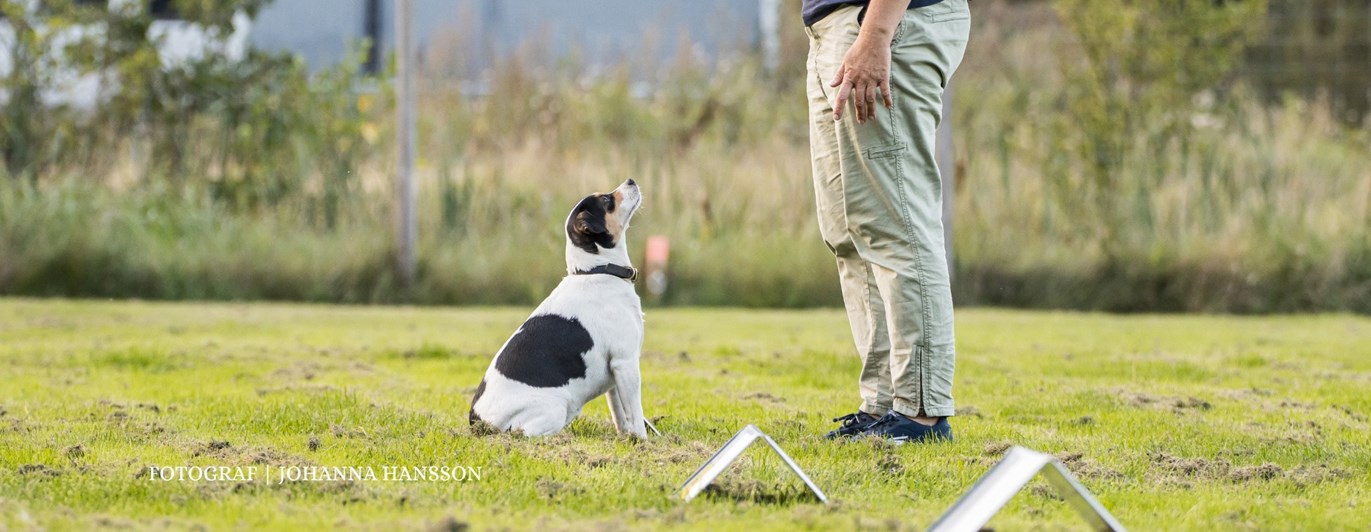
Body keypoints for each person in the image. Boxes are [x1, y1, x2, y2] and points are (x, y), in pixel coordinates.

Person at [803, 0, 970, 443]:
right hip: (835, 29)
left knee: (899, 227)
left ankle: (921, 415)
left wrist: (876, 34)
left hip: (886, 24)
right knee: (849, 231)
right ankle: (884, 406)